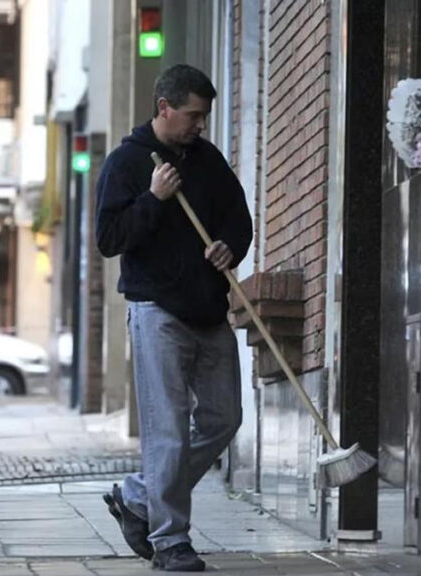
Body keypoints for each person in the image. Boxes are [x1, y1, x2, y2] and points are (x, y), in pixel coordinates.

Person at [95, 64, 253, 572]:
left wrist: (232, 248)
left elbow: (238, 217)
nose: (199, 125)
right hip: (156, 309)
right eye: (193, 115)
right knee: (167, 429)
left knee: (224, 418)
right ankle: (170, 541)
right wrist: (154, 199)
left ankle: (139, 495)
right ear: (164, 108)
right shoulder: (127, 162)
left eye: (203, 116)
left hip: (209, 309)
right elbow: (111, 238)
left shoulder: (208, 161)